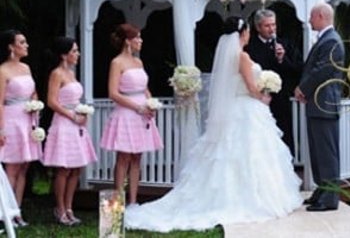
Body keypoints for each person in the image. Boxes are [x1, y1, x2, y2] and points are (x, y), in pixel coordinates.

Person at [125, 16, 302, 232]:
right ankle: (251, 198)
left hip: (236, 109)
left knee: (233, 154)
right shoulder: (242, 56)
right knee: (251, 154)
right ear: (243, 33)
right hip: (247, 109)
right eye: (247, 32)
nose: (248, 35)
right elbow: (250, 85)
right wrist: (263, 94)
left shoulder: (230, 57)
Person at [100, 23, 163, 207]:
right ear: (128, 41)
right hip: (126, 112)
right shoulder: (117, 62)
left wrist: (151, 103)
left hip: (142, 114)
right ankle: (117, 203)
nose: (140, 41)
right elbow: (113, 93)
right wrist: (137, 107)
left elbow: (145, 88)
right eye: (137, 38)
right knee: (123, 157)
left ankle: (134, 200)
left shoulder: (139, 62)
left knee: (137, 158)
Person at [42, 37, 97, 226]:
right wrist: (72, 116)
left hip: (77, 124)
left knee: (76, 168)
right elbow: (52, 101)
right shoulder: (57, 74)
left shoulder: (72, 73)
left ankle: (69, 206)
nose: (78, 54)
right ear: (64, 54)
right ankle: (59, 208)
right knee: (64, 169)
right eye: (74, 51)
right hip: (64, 123)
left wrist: (82, 113)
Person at [294, 3, 344, 212]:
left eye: (312, 17)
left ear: (322, 16)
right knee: (317, 151)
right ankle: (322, 190)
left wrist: (302, 88)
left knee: (327, 153)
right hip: (317, 103)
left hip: (325, 103)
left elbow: (322, 70)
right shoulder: (326, 39)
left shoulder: (332, 40)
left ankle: (330, 198)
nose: (309, 20)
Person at [0, 29, 43, 227]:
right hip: (11, 120)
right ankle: (5, 213)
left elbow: (33, 91)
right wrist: (1, 130)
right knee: (12, 167)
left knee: (24, 167)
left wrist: (35, 103)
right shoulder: (2, 71)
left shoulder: (26, 68)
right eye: (22, 42)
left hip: (28, 119)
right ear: (11, 46)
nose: (26, 45)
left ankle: (17, 211)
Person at [245, 9, 302, 155]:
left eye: (273, 25)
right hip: (257, 101)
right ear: (258, 27)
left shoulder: (285, 44)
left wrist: (282, 59)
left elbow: (298, 68)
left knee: (284, 136)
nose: (272, 29)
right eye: (267, 26)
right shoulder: (249, 46)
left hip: (281, 100)